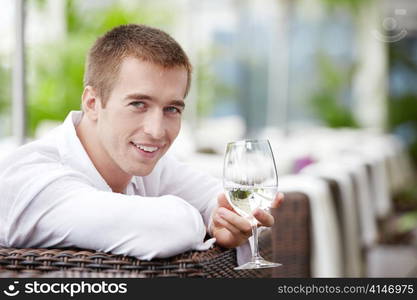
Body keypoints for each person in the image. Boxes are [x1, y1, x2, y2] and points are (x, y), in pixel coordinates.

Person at [0, 24, 283, 263]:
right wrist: (204, 221)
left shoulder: (141, 162)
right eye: (138, 104)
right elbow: (171, 227)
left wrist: (224, 219)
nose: (156, 130)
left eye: (172, 109)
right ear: (92, 103)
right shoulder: (31, 178)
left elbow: (215, 197)